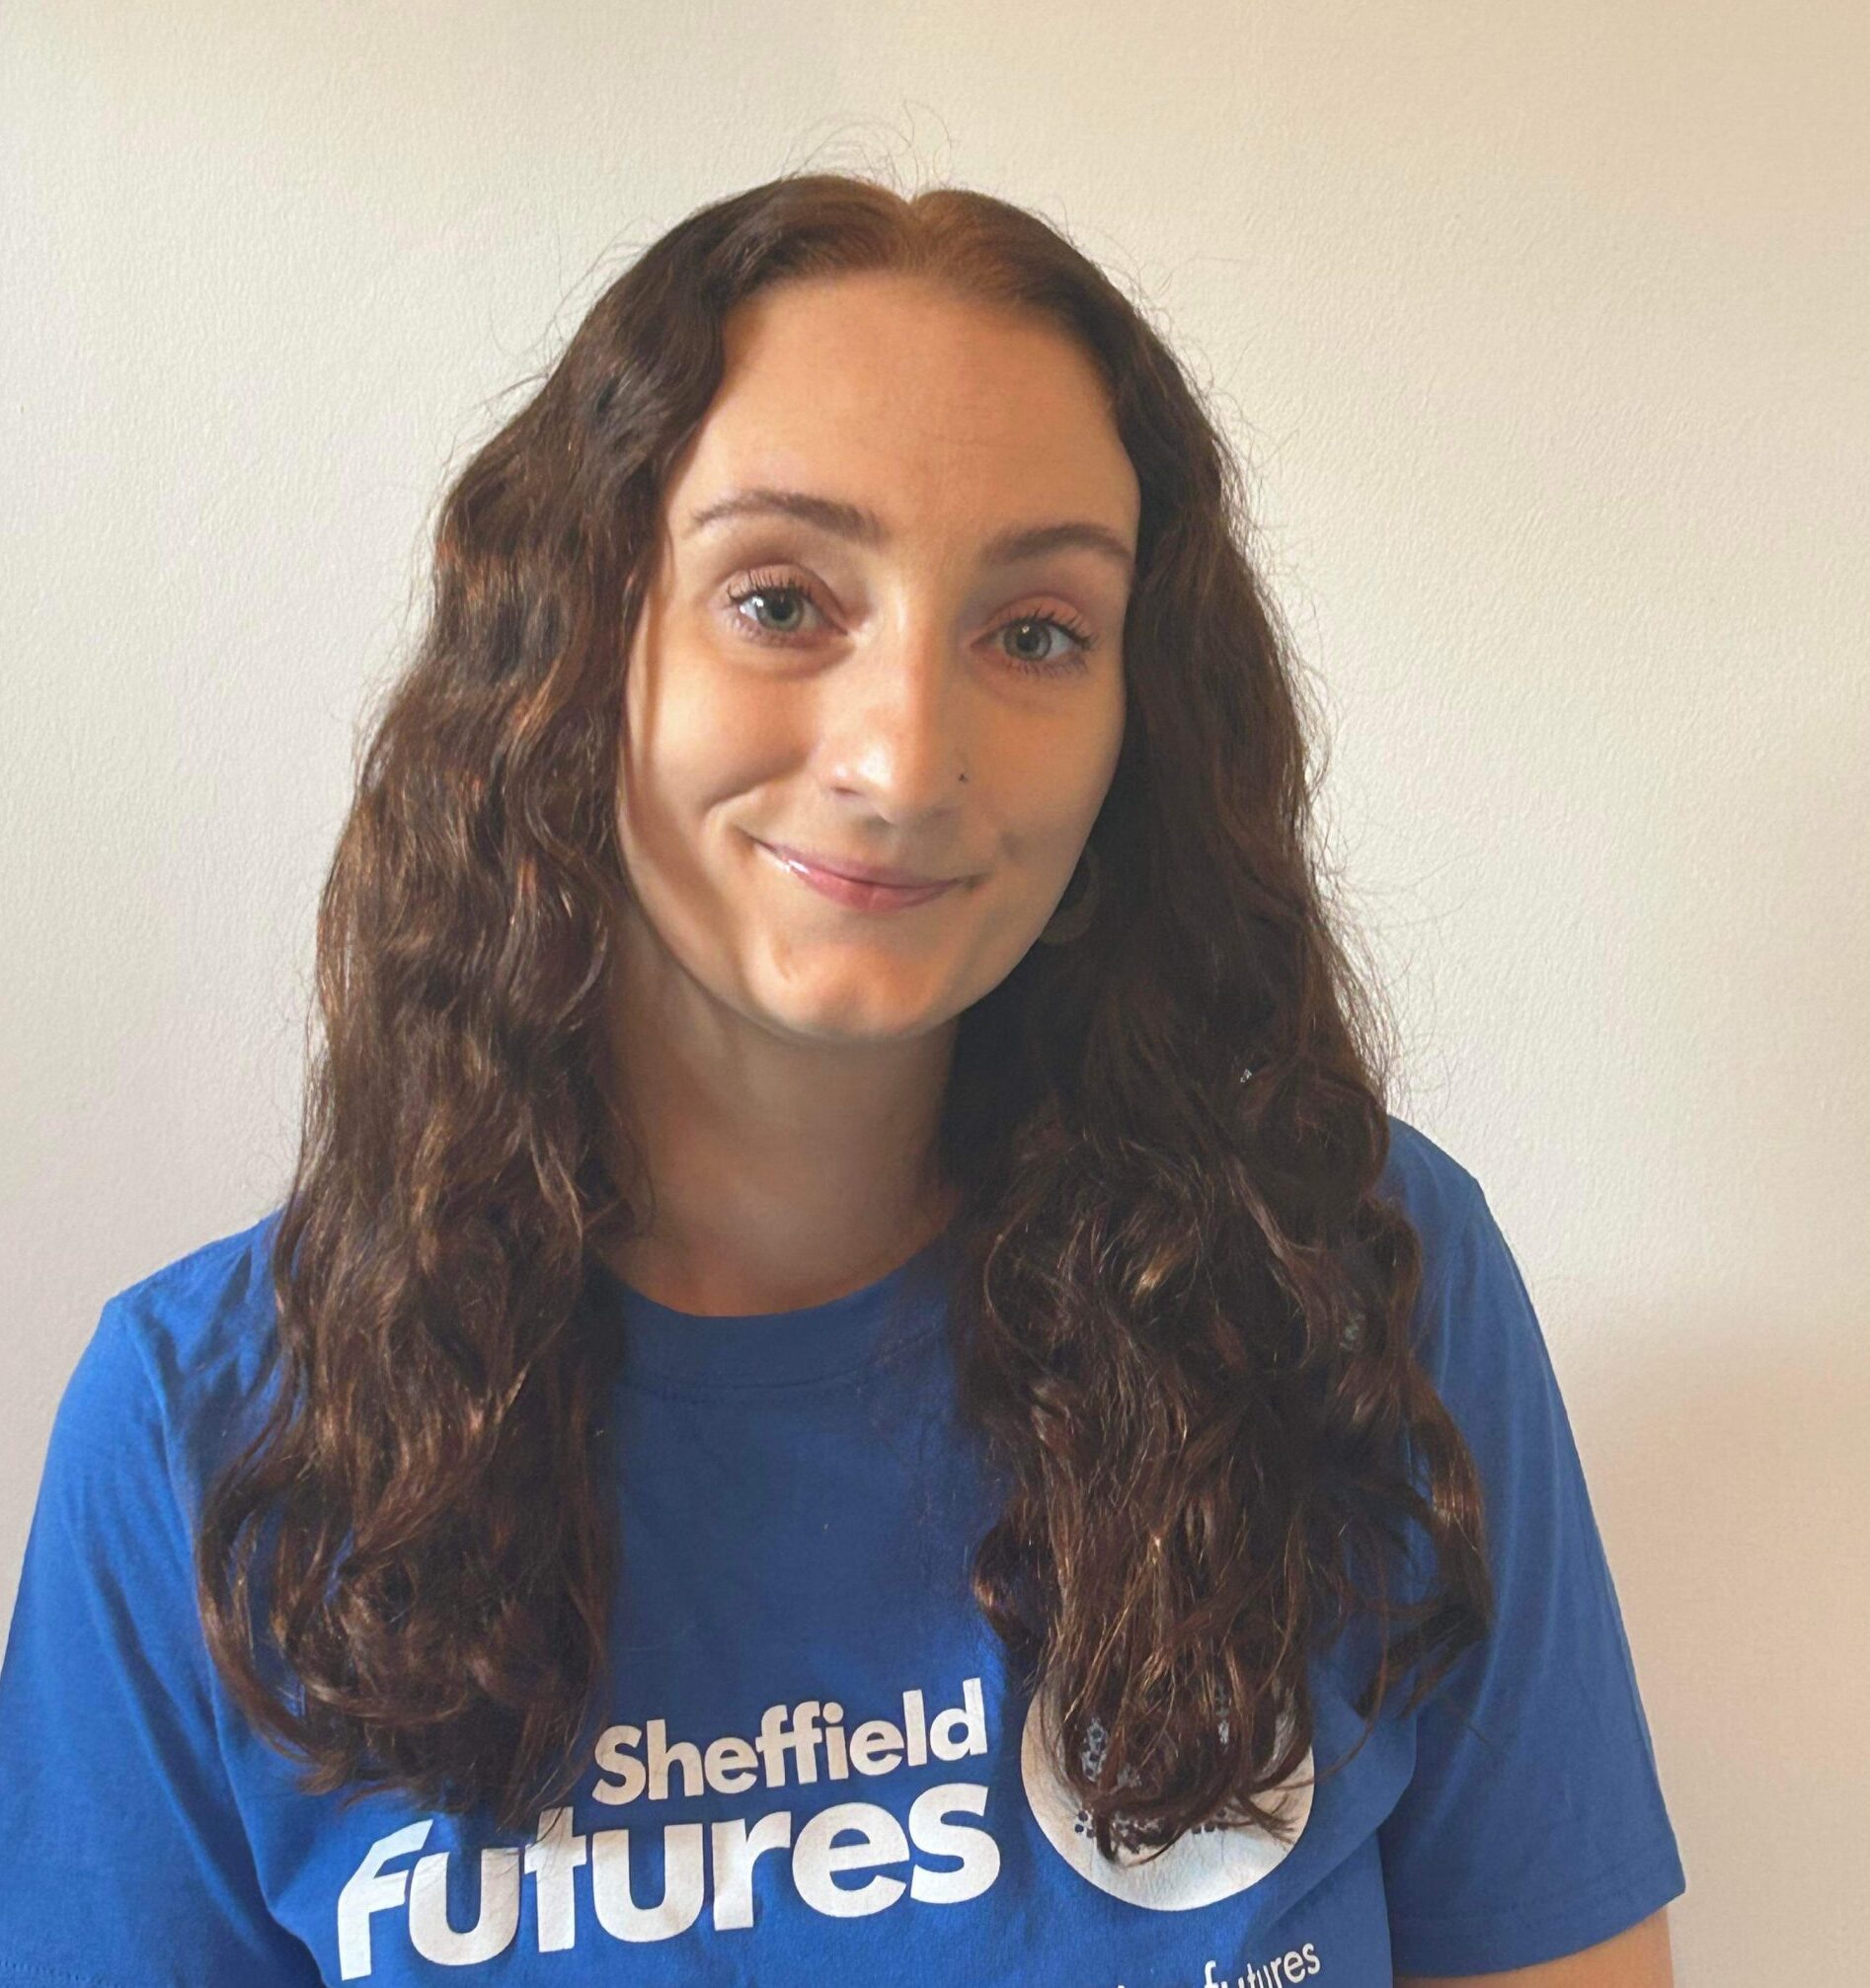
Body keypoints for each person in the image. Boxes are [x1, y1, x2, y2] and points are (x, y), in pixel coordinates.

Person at [0, 172, 1684, 1986]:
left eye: (1035, 631)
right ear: (569, 652)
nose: (901, 757)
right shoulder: (203, 1433)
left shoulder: (1355, 1280)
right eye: (782, 598)